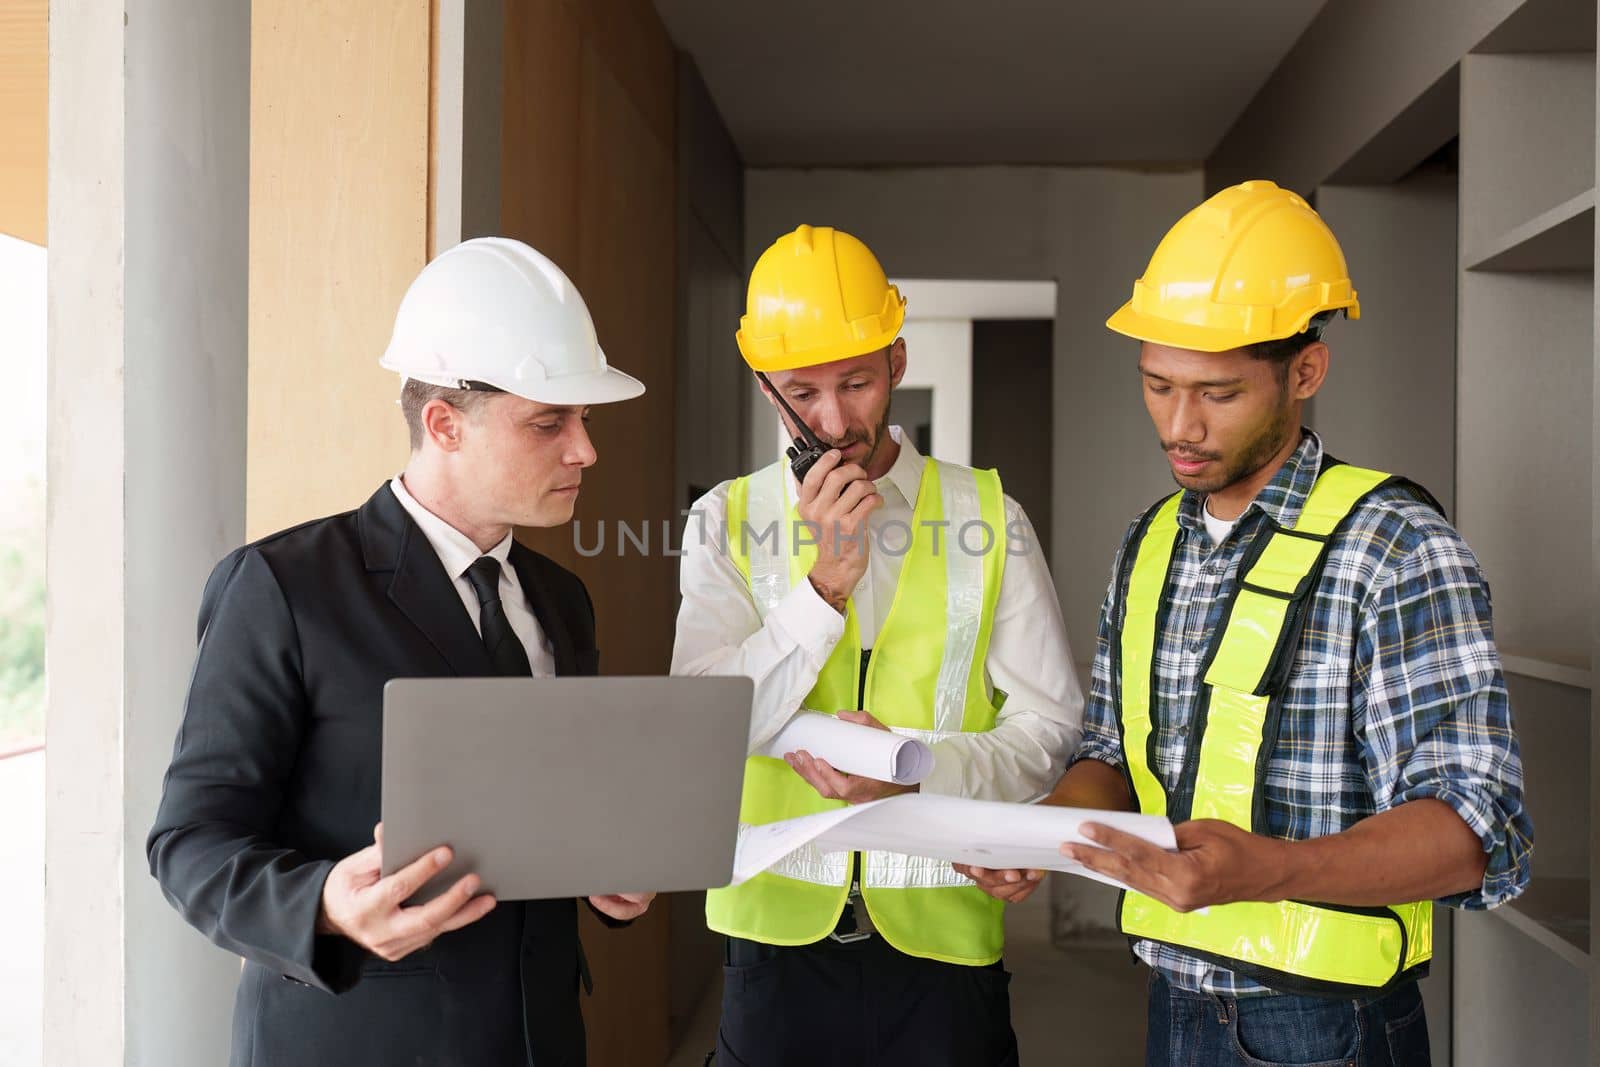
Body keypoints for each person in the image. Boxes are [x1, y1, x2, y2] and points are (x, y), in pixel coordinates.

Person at [958, 180, 1533, 1066]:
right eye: (1157, 384)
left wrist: (1264, 869)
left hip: (1329, 1028)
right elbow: (1111, 755)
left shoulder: (1395, 546)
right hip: (1173, 1002)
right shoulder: (1150, 543)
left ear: (1305, 370)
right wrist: (1041, 835)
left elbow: (1471, 829)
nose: (1179, 426)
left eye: (1217, 393)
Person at [148, 237, 654, 1066]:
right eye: (548, 422)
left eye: (585, 420)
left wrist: (605, 870)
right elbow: (189, 844)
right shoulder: (281, 587)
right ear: (444, 423)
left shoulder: (562, 601)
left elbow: (553, 810)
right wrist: (323, 904)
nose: (585, 450)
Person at [672, 224, 1083, 1066]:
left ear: (896, 359)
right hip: (771, 945)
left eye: (856, 382)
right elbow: (701, 726)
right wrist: (822, 587)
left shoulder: (989, 517)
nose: (833, 420)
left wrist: (915, 767)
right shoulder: (724, 520)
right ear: (766, 389)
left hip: (943, 948)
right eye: (802, 392)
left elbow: (1049, 731)